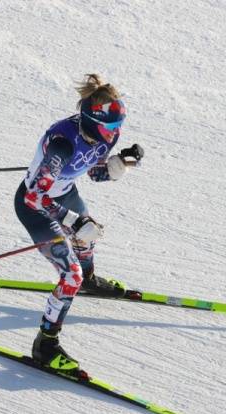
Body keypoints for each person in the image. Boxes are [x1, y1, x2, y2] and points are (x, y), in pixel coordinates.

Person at [14, 73, 144, 373]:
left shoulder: (100, 136)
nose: (115, 133)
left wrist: (120, 165)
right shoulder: (62, 144)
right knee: (69, 272)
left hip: (65, 193)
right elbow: (34, 197)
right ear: (92, 119)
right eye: (111, 127)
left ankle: (89, 279)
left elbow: (93, 171)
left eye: (118, 126)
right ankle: (45, 345)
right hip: (34, 207)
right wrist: (73, 220)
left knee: (90, 235)